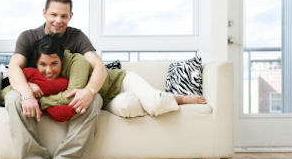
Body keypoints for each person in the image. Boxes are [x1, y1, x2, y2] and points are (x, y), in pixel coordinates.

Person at [5, 0, 108, 159]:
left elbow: (99, 67)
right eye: (53, 14)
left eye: (63, 16)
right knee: (12, 98)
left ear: (70, 16)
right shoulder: (28, 37)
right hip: (36, 91)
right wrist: (26, 94)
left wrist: (90, 90)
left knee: (95, 100)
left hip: (67, 93)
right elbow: (14, 67)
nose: (58, 21)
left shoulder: (77, 37)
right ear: (44, 13)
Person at [24, 35, 206, 121]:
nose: (48, 70)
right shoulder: (36, 72)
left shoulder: (77, 62)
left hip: (122, 83)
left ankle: (176, 98)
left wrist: (40, 101)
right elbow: (6, 90)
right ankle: (151, 98)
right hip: (107, 99)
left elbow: (73, 96)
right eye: (43, 65)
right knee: (127, 108)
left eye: (54, 64)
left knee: (156, 105)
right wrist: (27, 89)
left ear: (62, 59)